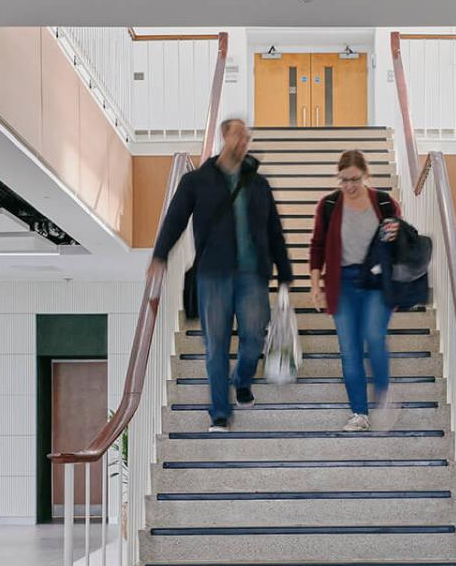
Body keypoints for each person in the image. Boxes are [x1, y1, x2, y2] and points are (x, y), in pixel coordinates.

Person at [149, 117, 294, 431]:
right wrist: (159, 256)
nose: (244, 142)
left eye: (247, 137)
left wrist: (285, 272)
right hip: (212, 275)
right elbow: (175, 219)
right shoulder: (197, 181)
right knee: (216, 346)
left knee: (254, 338)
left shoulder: (258, 183)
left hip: (252, 275)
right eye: (239, 135)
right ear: (224, 135)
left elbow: (274, 229)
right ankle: (219, 412)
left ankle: (241, 380)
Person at [307, 150, 400, 432]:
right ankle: (359, 413)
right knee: (349, 350)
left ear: (366, 175)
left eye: (355, 179)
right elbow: (317, 246)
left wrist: (395, 238)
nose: (349, 185)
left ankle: (383, 397)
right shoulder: (329, 205)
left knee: (373, 336)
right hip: (342, 282)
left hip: (376, 281)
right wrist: (315, 284)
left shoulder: (384, 203)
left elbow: (398, 245)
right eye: (343, 179)